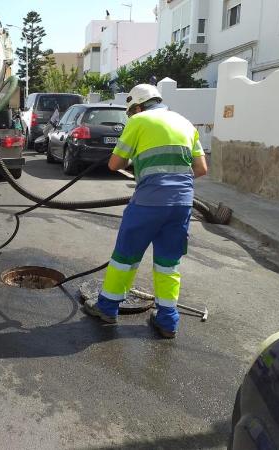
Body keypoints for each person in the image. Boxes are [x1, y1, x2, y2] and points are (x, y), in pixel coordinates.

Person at [84, 84, 208, 339]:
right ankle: (168, 321)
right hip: (182, 203)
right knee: (168, 263)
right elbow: (201, 168)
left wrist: (145, 168)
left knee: (125, 257)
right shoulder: (185, 123)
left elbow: (114, 163)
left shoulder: (139, 120)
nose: (131, 116)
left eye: (131, 111)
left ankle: (107, 308)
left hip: (148, 203)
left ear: (138, 106)